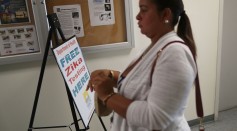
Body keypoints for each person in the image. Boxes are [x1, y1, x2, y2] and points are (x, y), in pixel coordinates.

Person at [87, 0, 197, 130]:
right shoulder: (156, 47)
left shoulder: (175, 54)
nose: (138, 16)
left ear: (165, 15)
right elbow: (142, 85)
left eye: (144, 10)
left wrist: (107, 95)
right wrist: (111, 75)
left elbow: (156, 118)